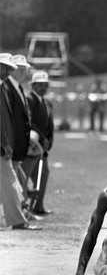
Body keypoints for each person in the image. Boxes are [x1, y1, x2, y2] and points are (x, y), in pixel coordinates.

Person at [0, 53, 41, 230]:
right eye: (5, 67)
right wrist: (5, 142)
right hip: (3, 145)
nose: (8, 71)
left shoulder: (3, 87)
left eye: (10, 68)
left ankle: (20, 214)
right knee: (11, 180)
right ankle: (19, 219)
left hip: (5, 144)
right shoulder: (4, 88)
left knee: (13, 180)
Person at [25, 71, 54, 215]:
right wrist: (43, 138)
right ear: (33, 85)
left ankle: (38, 206)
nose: (43, 88)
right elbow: (30, 122)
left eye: (45, 85)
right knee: (25, 176)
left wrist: (48, 141)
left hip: (43, 148)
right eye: (40, 85)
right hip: (31, 146)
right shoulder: (29, 99)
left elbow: (49, 124)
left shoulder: (47, 102)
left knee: (43, 175)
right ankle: (24, 206)